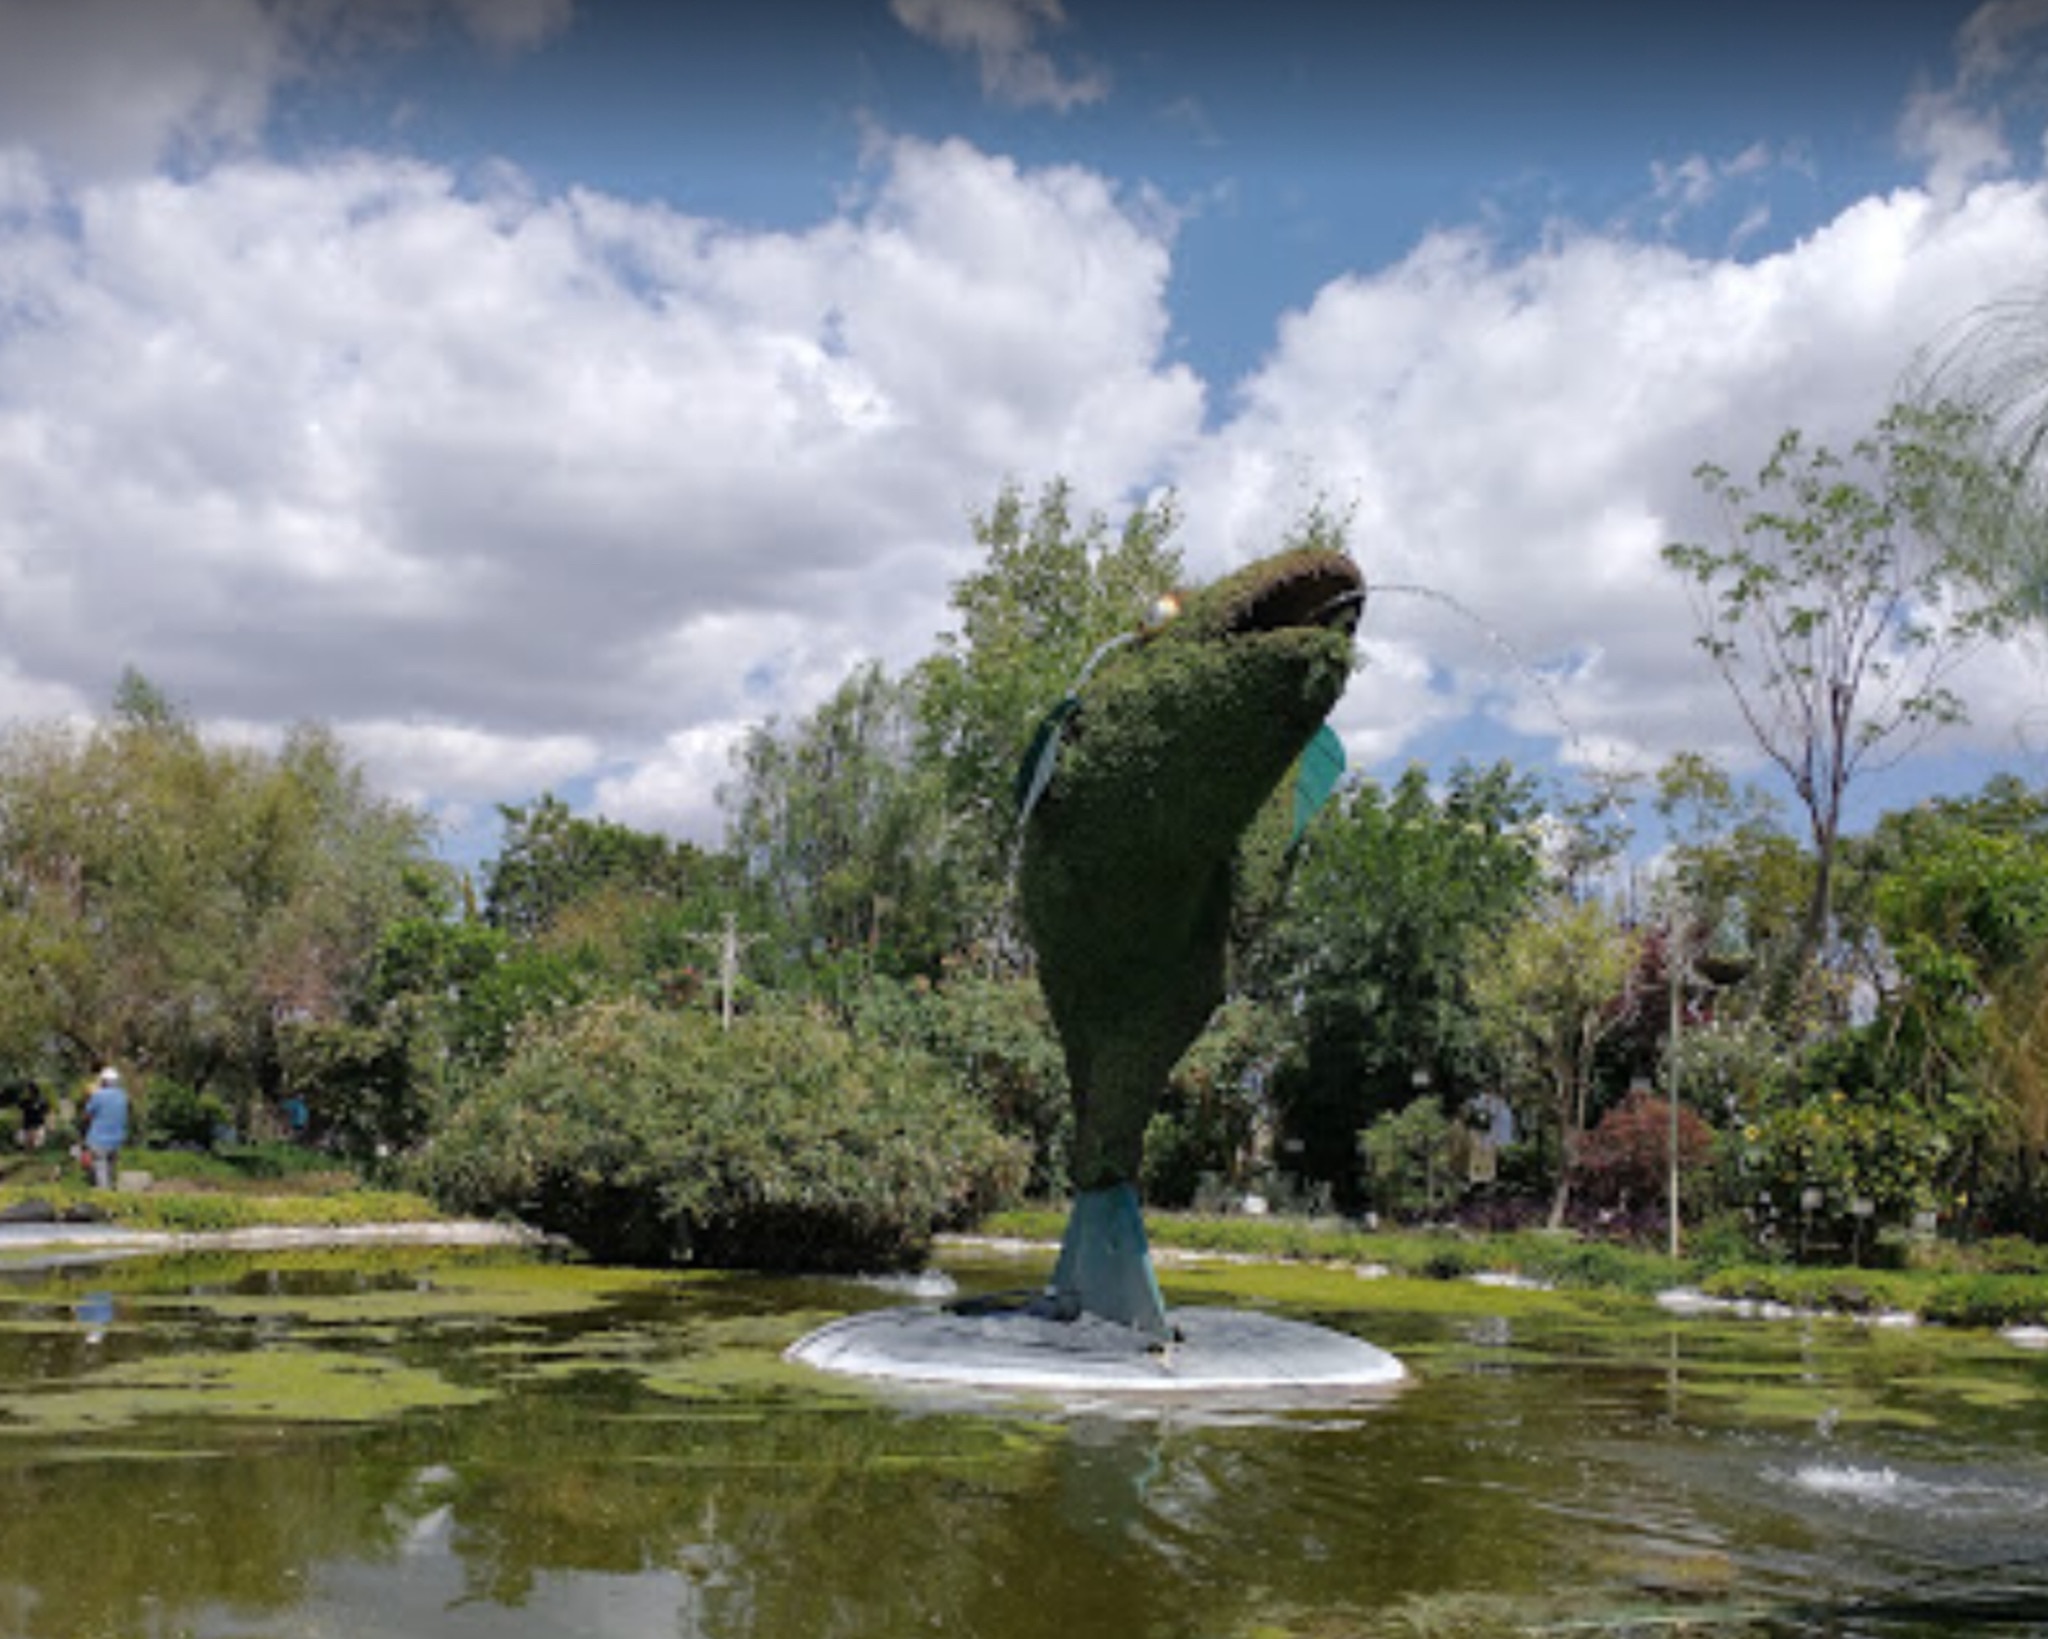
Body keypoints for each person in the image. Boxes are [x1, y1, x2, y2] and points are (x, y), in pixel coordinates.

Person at [81, 1067, 130, 1190]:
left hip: (99, 1140)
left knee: (100, 1171)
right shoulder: (123, 1096)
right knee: (110, 1170)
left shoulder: (98, 1096)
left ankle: (104, 1200)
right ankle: (113, 1194)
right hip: (117, 1140)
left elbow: (86, 1115)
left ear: (103, 1081)